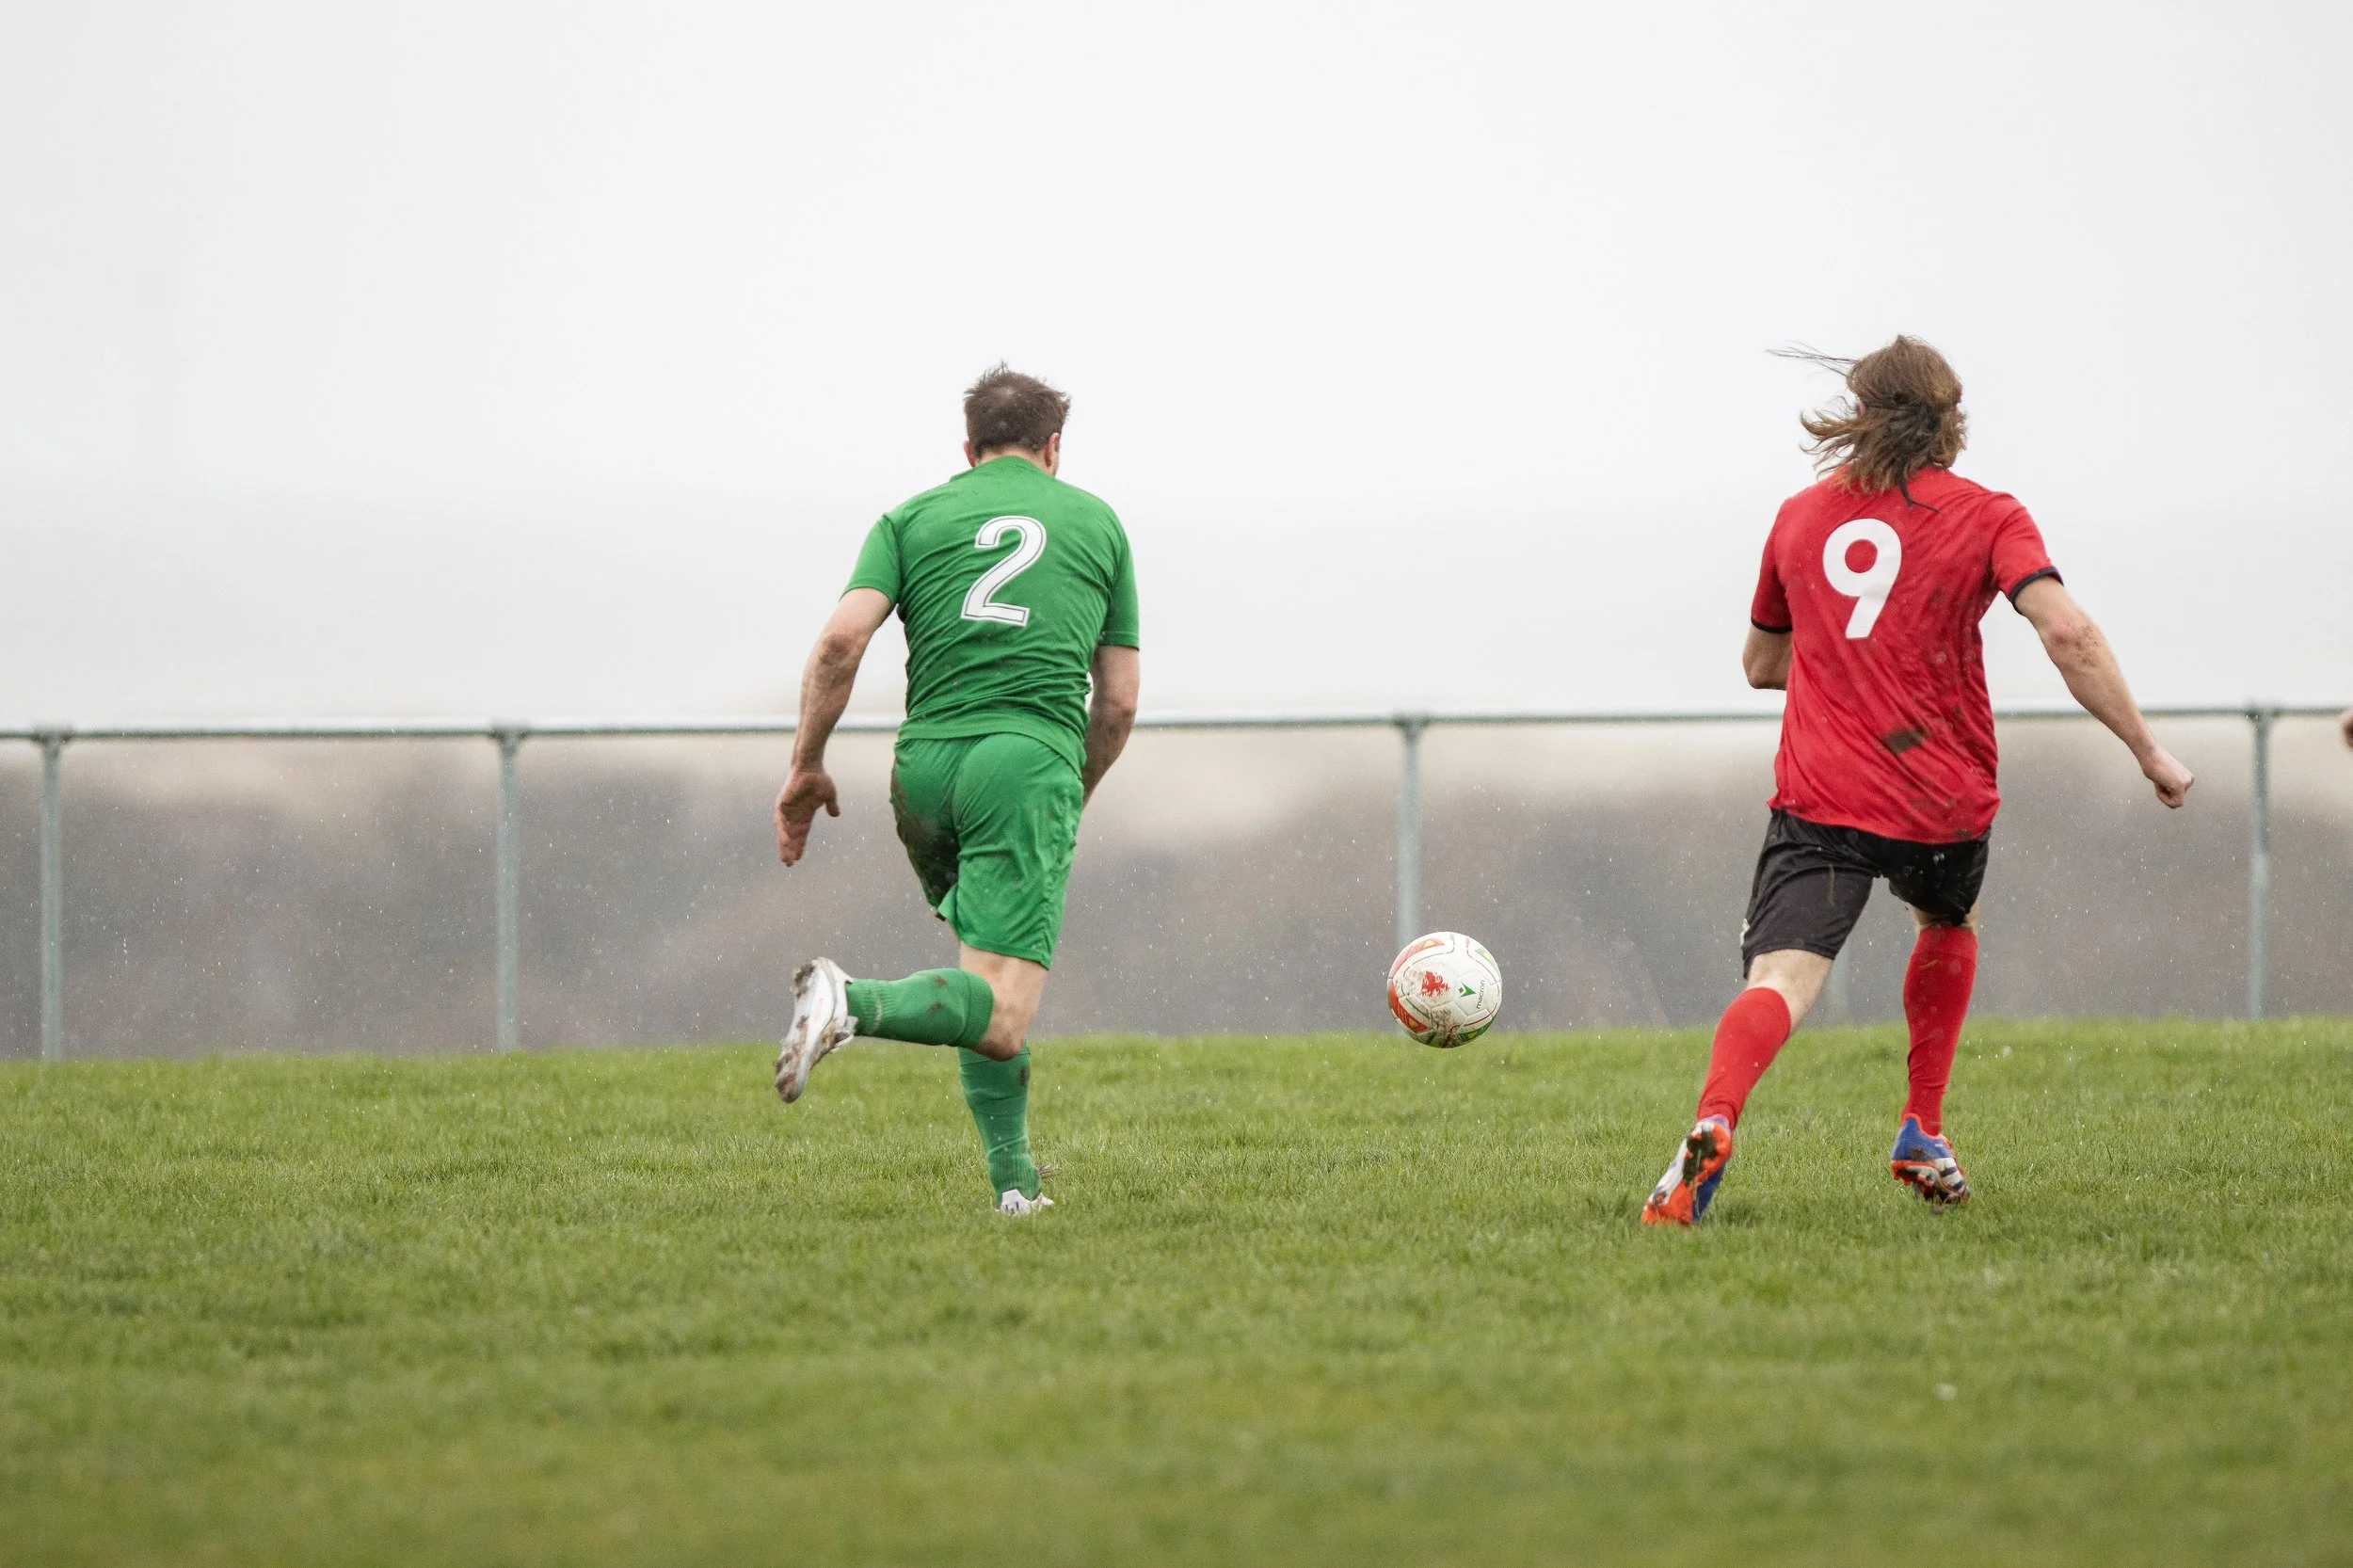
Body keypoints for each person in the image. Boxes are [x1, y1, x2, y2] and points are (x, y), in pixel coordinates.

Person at [1641, 336, 2195, 1226]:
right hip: (1940, 797)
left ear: (1857, 421)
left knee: (1780, 980)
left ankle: (1713, 1121)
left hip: (1824, 797)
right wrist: (2146, 749)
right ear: (1952, 425)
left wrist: (1847, 666)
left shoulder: (1799, 517)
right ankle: (1921, 1127)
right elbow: (2069, 635)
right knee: (1945, 918)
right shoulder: (1990, 516)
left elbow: (1760, 665)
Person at [770, 365, 1141, 1217]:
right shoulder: (1097, 523)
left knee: (982, 977)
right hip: (1024, 762)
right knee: (1004, 1011)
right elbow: (1117, 703)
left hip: (925, 770)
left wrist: (806, 764)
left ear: (968, 450)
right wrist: (1062, 792)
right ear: (1054, 448)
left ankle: (1016, 1188)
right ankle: (847, 1002)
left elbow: (838, 645)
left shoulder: (909, 518)